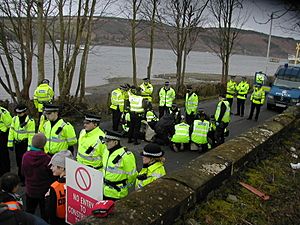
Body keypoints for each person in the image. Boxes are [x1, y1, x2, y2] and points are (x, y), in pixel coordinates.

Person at [21, 133, 54, 221]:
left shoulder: (25, 156)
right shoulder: (47, 158)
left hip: (30, 190)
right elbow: (51, 175)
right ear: (44, 144)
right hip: (44, 191)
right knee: (44, 213)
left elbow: (23, 172)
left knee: (29, 212)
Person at [102, 135, 137, 201]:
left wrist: (127, 185)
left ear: (116, 142)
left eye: (108, 141)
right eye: (105, 141)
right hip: (105, 190)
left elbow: (132, 174)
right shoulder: (106, 151)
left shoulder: (126, 155)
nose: (106, 143)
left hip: (117, 193)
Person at [7, 104, 35, 184]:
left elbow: (31, 135)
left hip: (25, 144)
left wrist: (29, 148)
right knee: (18, 162)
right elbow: (11, 131)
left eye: (20, 113)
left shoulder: (30, 121)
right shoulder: (14, 119)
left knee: (25, 162)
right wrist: (10, 143)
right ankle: (20, 177)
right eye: (17, 113)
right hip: (17, 144)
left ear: (24, 112)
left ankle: (25, 179)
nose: (18, 115)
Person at [45, 150, 73, 225]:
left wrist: (47, 198)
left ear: (62, 168)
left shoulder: (55, 187)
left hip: (58, 221)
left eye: (53, 166)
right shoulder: (75, 183)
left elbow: (50, 211)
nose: (51, 168)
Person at [0, 105, 12, 177]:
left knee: (3, 154)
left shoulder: (3, 111)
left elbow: (9, 123)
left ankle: (6, 172)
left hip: (2, 135)